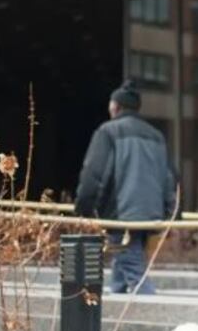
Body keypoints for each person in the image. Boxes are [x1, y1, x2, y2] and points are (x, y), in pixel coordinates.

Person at [74, 80, 178, 294]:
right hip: (150, 214)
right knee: (122, 266)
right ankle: (117, 296)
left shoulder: (108, 132)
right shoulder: (156, 136)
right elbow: (169, 178)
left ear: (115, 106)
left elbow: (93, 173)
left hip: (121, 214)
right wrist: (172, 213)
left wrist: (84, 207)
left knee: (134, 269)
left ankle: (154, 310)